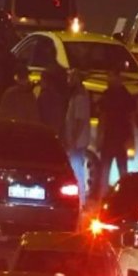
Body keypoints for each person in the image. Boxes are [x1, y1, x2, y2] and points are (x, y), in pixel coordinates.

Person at [97, 70, 136, 198]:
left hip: (112, 138)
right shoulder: (126, 95)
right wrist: (131, 137)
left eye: (110, 77)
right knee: (120, 169)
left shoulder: (109, 95)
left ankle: (104, 196)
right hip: (120, 138)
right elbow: (131, 118)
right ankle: (124, 195)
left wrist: (100, 136)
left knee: (106, 170)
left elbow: (102, 118)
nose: (108, 80)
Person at [64, 70, 90, 204]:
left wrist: (73, 139)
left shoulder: (79, 97)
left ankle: (81, 200)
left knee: (77, 169)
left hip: (77, 142)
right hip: (78, 140)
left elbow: (79, 120)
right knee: (78, 168)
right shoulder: (78, 95)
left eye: (71, 77)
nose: (69, 80)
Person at [37, 67, 68, 136]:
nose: (40, 82)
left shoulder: (44, 97)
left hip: (44, 133)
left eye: (42, 79)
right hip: (55, 134)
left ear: (47, 81)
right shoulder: (60, 98)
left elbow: (40, 116)